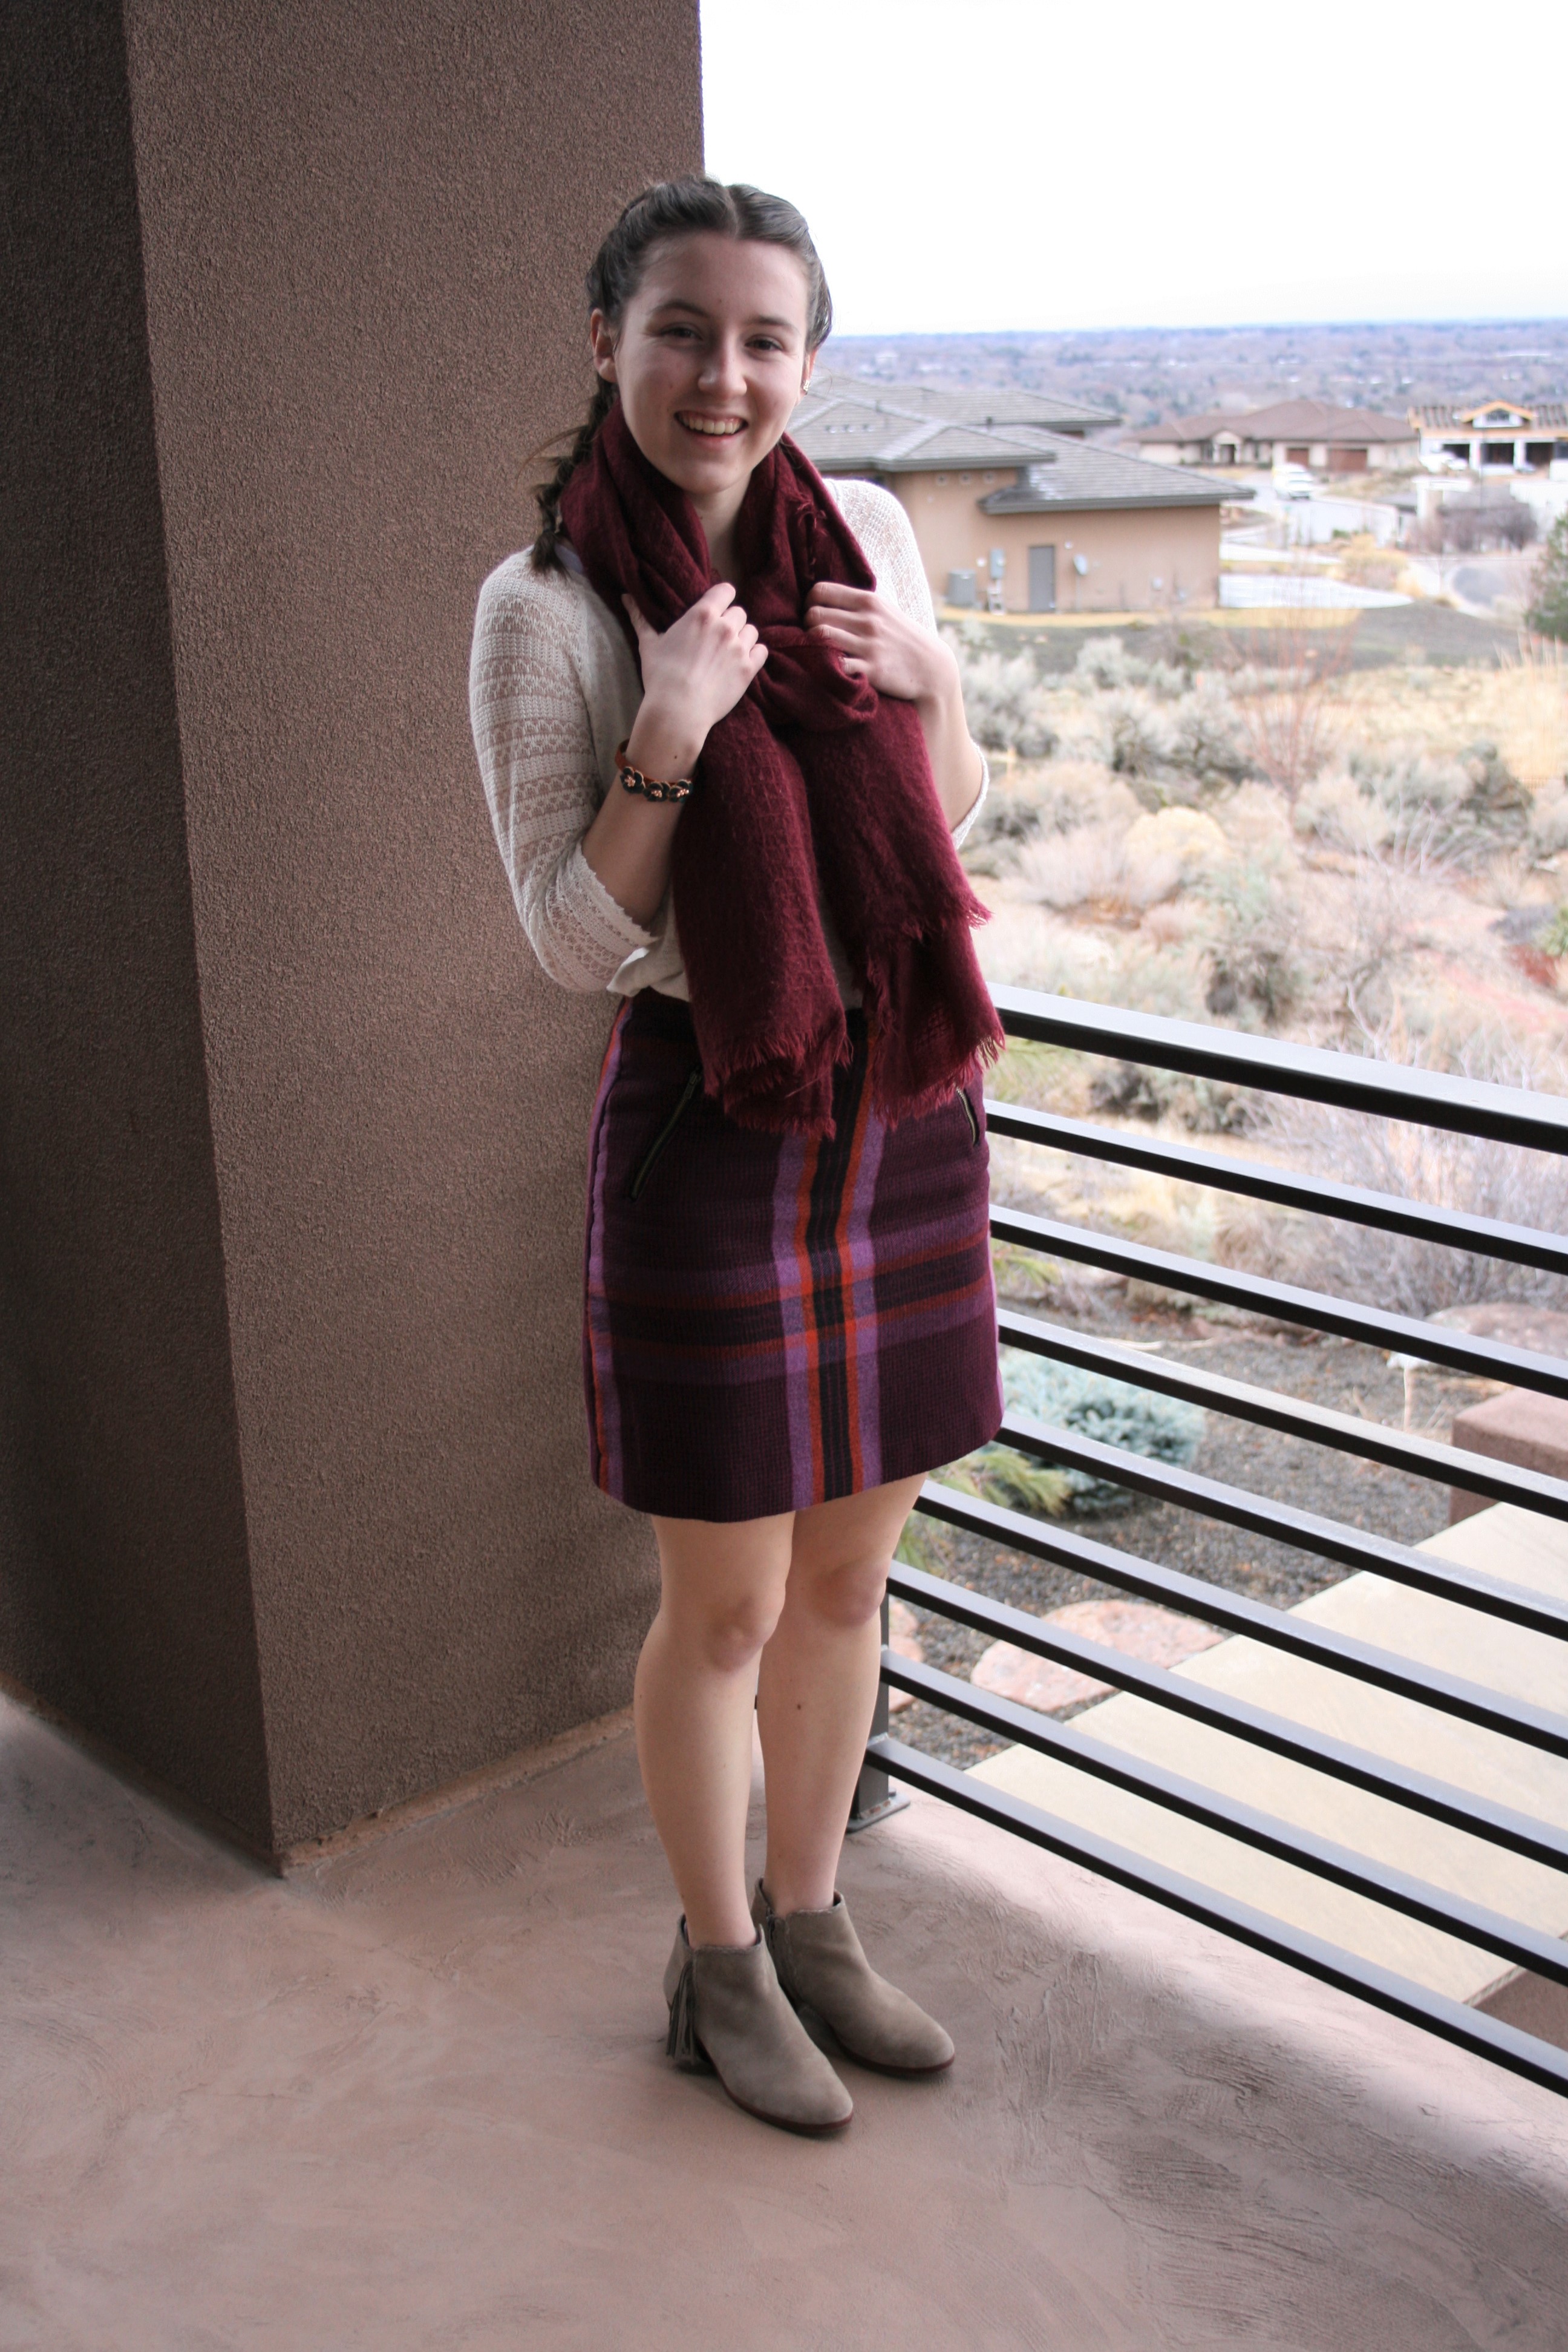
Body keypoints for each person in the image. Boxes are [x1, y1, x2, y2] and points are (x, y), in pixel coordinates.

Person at [469, 176, 1003, 2135]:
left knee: (855, 1586)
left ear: (809, 361)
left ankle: (817, 1917)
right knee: (727, 1607)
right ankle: (715, 1967)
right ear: (609, 340)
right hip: (708, 1119)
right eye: (683, 329)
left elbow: (943, 825)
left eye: (766, 337)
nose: (725, 373)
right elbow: (572, 940)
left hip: (899, 1112)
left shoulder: (861, 531)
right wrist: (670, 736)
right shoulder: (544, 610)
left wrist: (937, 689)